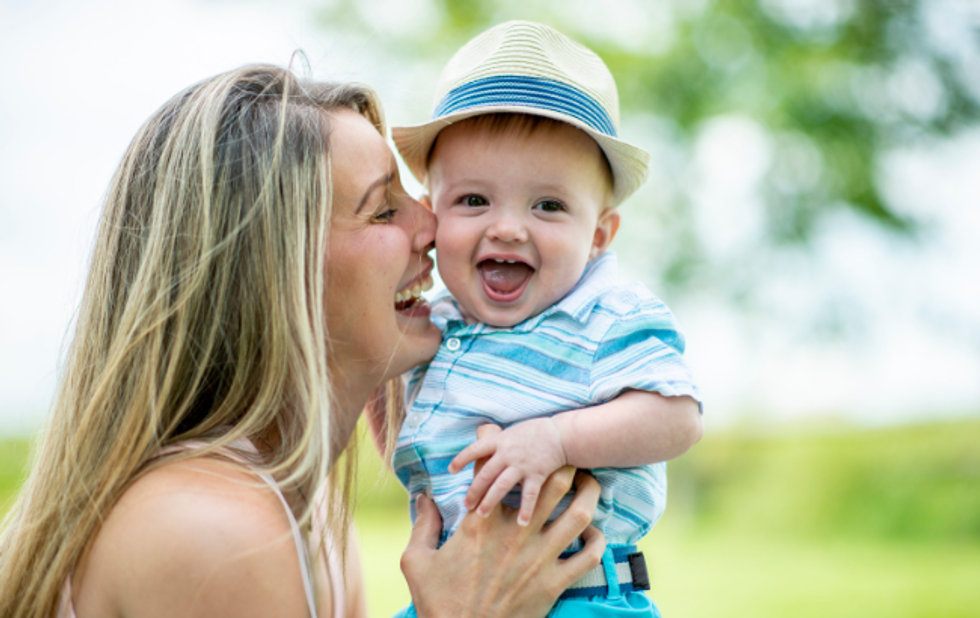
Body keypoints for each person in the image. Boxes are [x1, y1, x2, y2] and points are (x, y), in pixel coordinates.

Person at [0, 64, 608, 618]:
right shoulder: (212, 532)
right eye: (381, 210)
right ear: (272, 270)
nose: (433, 226)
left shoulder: (316, 522)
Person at [388, 21, 704, 617]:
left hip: (581, 596)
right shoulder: (440, 322)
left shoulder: (603, 315)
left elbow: (677, 417)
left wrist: (557, 439)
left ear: (599, 236)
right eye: (474, 200)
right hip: (447, 588)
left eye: (549, 205)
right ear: (432, 217)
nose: (507, 227)